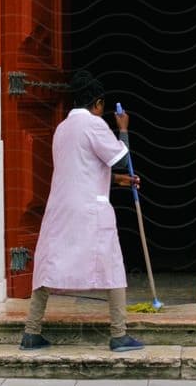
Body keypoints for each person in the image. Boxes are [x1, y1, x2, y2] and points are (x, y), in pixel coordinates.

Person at [20, 68, 145, 353]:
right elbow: (122, 160)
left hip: (61, 208)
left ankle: (31, 331)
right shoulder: (95, 124)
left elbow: (81, 169)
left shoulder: (62, 128)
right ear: (98, 103)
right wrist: (123, 128)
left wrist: (115, 181)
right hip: (90, 208)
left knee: (49, 264)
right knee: (112, 266)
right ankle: (119, 334)